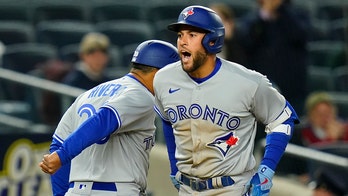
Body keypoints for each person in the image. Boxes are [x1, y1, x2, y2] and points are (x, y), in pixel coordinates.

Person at [153, 5, 299, 196]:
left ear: (212, 40)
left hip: (232, 188)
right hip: (187, 189)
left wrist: (267, 169)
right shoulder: (164, 79)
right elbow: (167, 120)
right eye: (180, 35)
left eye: (192, 35)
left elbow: (283, 118)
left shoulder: (247, 82)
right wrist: (173, 165)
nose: (182, 42)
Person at [39, 40, 180, 196]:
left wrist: (59, 193)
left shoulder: (86, 95)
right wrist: (61, 156)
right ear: (158, 72)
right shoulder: (141, 94)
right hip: (118, 190)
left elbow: (58, 145)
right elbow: (104, 119)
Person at [239, 0, 311, 116]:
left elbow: (300, 35)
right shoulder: (251, 20)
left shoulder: (299, 15)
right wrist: (265, 15)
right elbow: (247, 42)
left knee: (292, 127)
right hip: (260, 91)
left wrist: (282, 11)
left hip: (293, 90)